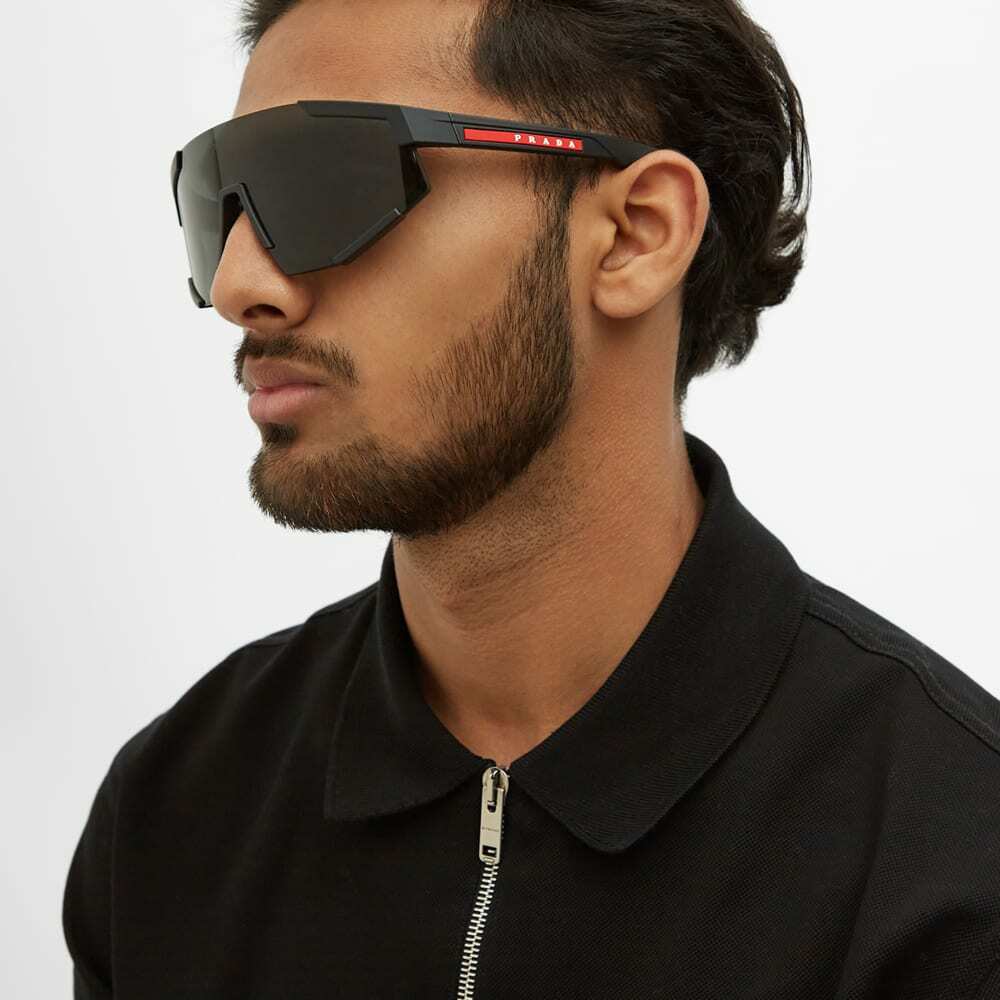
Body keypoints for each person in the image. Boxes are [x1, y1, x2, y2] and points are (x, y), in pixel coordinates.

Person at [62, 1, 1000, 997]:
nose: (238, 283)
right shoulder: (175, 811)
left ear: (635, 235)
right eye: (219, 200)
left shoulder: (952, 873)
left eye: (325, 178)